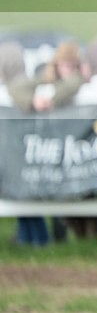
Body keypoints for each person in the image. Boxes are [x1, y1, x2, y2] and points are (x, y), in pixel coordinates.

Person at [0, 41, 51, 246]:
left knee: (24, 197)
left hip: (22, 152)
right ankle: (30, 239)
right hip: (24, 152)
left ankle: (36, 241)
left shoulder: (15, 89)